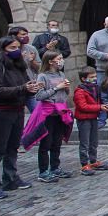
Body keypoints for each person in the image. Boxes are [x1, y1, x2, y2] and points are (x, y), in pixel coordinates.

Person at [0, 36, 41, 200]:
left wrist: (32, 88)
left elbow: (25, 86)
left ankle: (11, 178)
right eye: (12, 48)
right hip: (0, 112)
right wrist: (23, 88)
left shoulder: (18, 66)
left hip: (17, 110)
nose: (17, 51)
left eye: (17, 48)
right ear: (3, 50)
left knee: (12, 146)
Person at [29, 51, 73, 182]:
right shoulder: (42, 76)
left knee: (57, 141)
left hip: (60, 112)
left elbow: (65, 94)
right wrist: (56, 88)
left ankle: (55, 167)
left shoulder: (61, 74)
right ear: (50, 61)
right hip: (48, 113)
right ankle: (43, 171)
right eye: (58, 59)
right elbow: (39, 96)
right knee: (46, 142)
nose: (61, 61)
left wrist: (66, 88)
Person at [73, 65, 108, 175]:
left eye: (95, 76)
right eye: (91, 77)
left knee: (94, 141)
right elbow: (83, 106)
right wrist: (99, 107)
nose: (94, 78)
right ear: (84, 79)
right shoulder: (80, 91)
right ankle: (84, 164)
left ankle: (93, 161)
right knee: (85, 142)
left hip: (93, 118)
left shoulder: (95, 88)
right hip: (84, 119)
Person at [8, 25, 40, 112]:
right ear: (14, 36)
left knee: (37, 113)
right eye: (23, 34)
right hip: (14, 87)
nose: (26, 37)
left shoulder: (31, 49)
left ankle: (31, 126)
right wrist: (18, 59)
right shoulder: (7, 50)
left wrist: (32, 61)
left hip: (30, 86)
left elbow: (39, 69)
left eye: (26, 34)